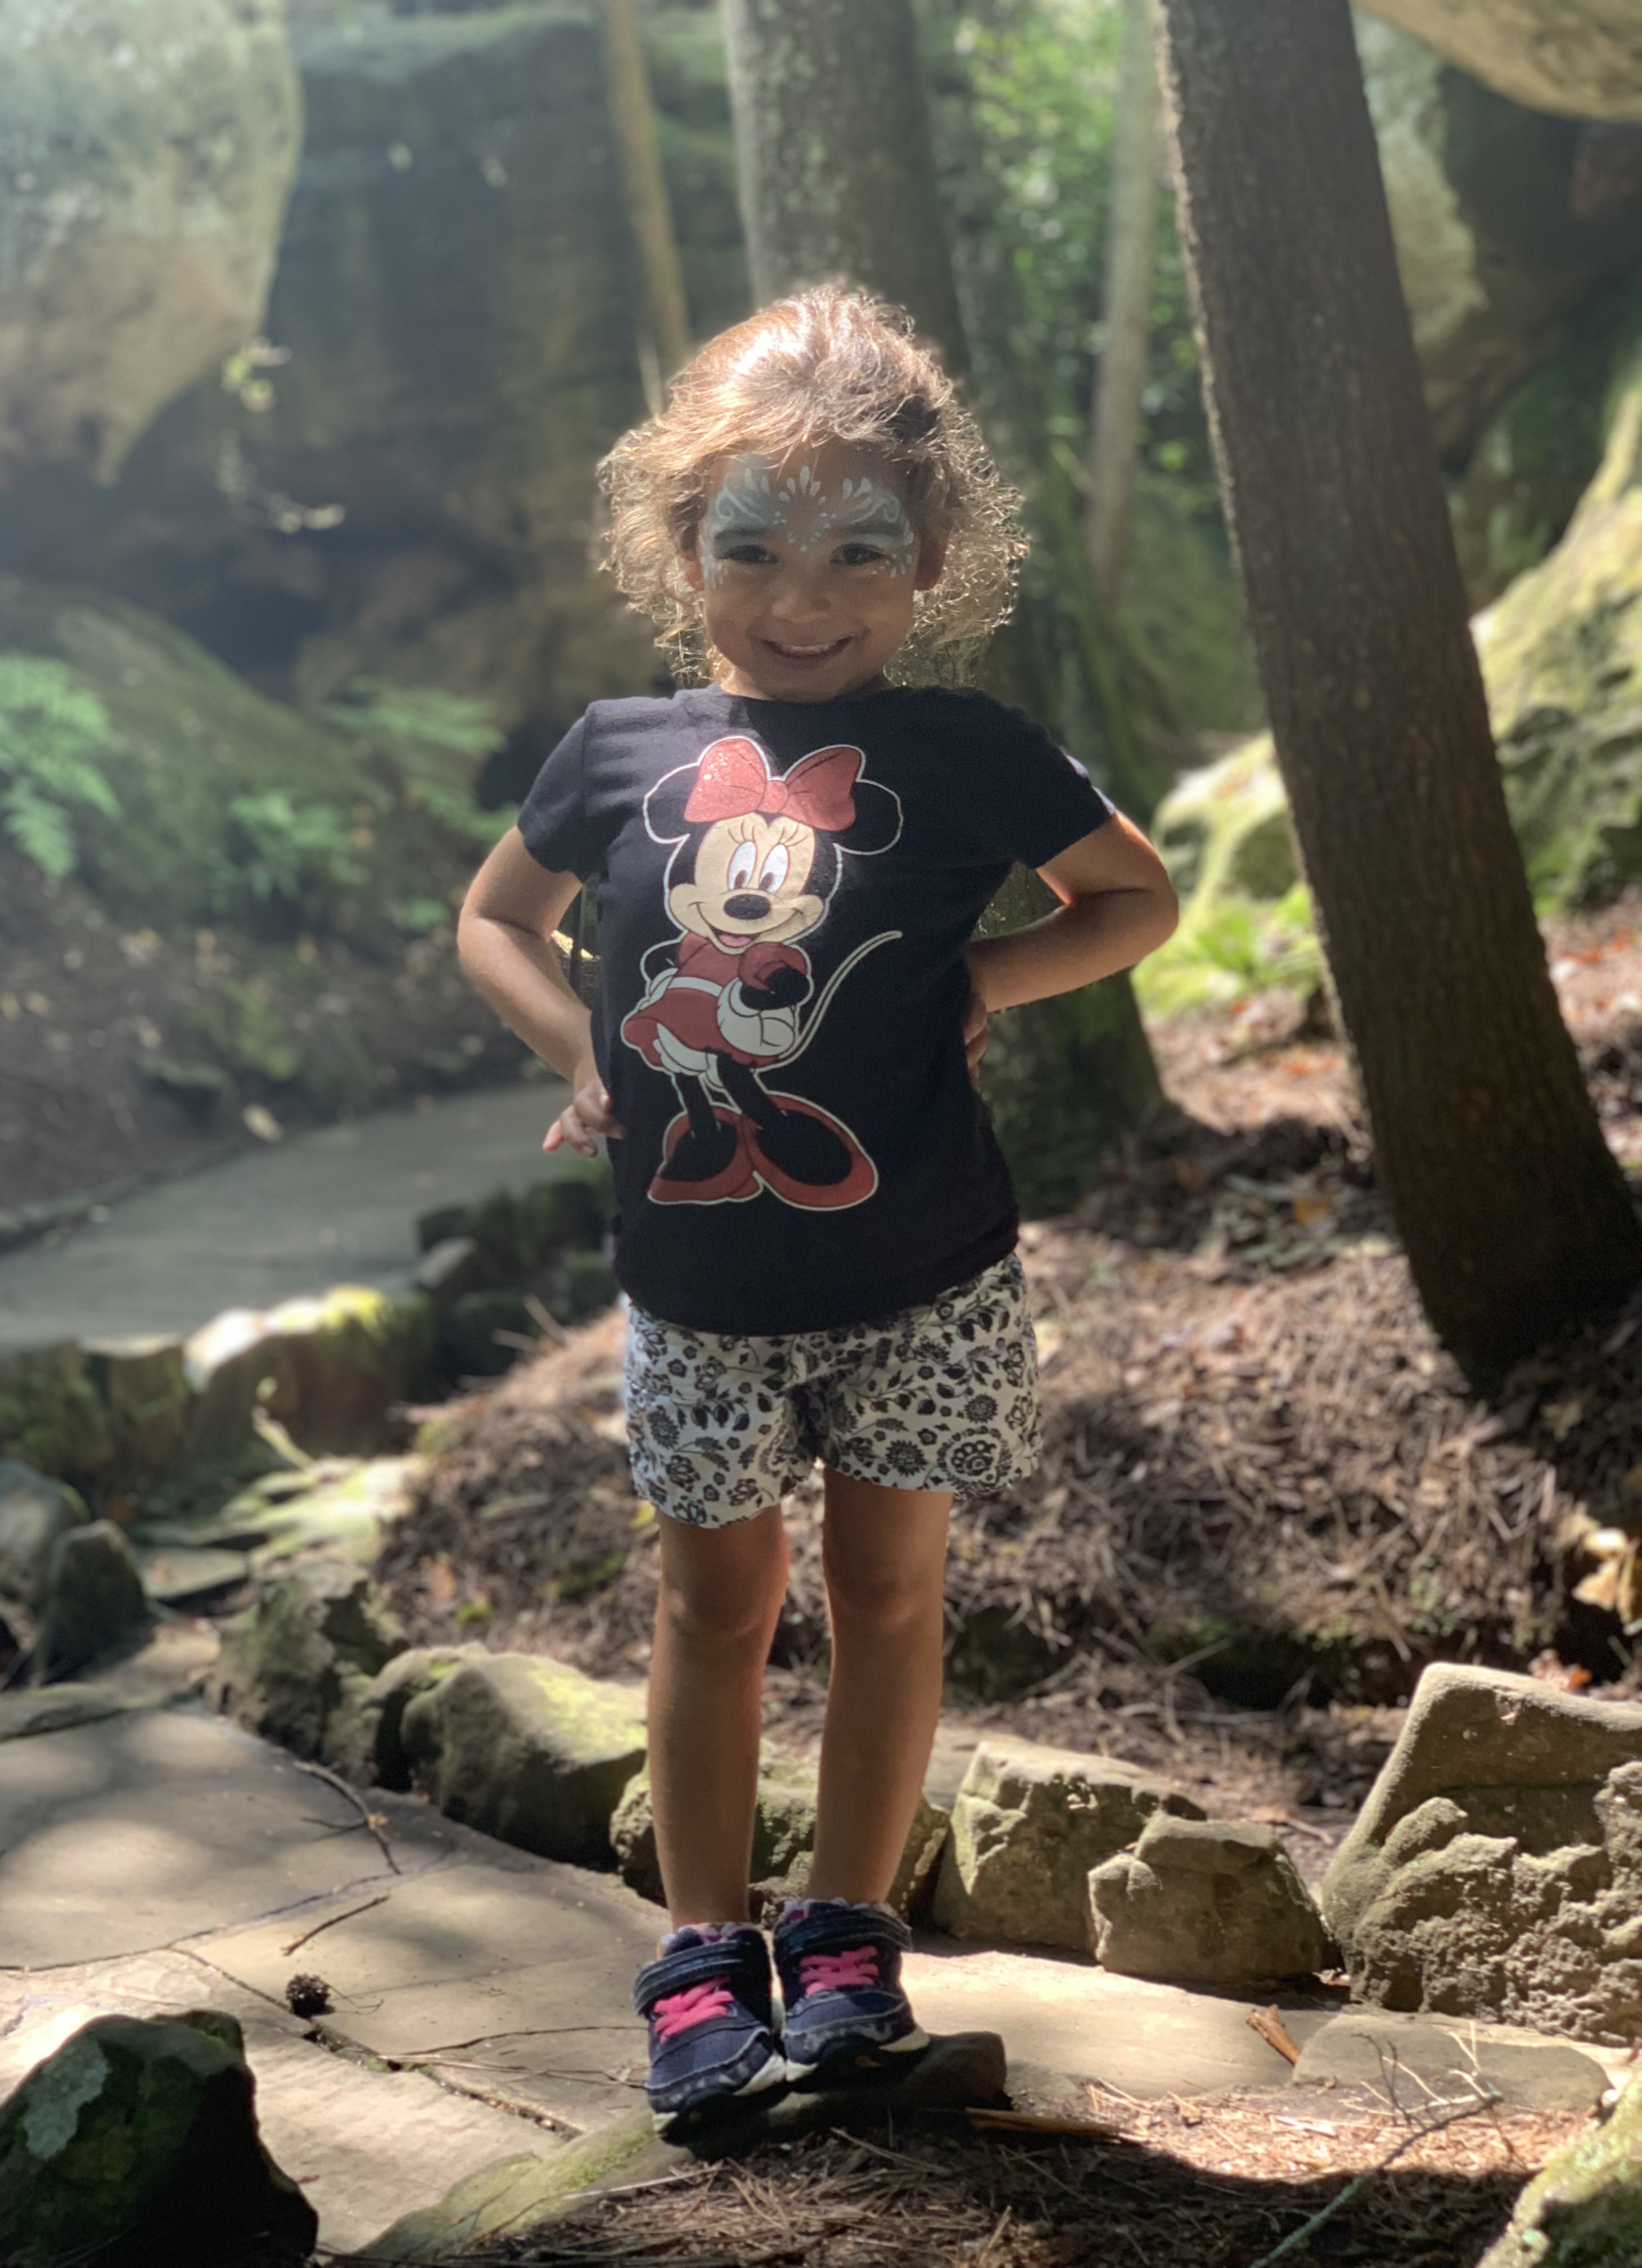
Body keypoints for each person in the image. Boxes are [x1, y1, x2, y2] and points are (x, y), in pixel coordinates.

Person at [457, 285, 1178, 2128]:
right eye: (751, 547)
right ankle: (704, 1955)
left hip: (924, 1270)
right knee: (714, 1605)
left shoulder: (970, 752)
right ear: (682, 546)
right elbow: (494, 920)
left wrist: (982, 979)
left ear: (929, 558)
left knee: (889, 1590)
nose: (803, 597)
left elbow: (1136, 900)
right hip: (696, 1279)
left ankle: (848, 1938)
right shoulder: (615, 750)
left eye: (859, 550)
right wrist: (588, 1054)